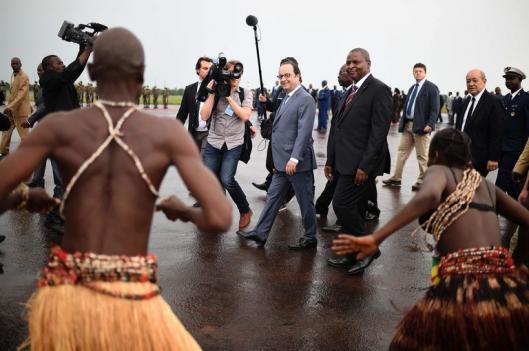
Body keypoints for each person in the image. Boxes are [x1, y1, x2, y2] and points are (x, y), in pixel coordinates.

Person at [0, 27, 231, 351]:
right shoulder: (167, 135)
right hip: (134, 298)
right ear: (140, 75)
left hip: (68, 296)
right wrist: (184, 211)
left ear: (93, 71)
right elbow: (220, 217)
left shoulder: (57, 127)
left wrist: (23, 197)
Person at [332, 128, 529, 350]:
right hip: (500, 289)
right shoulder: (486, 186)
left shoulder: (440, 171)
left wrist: (377, 237)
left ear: (435, 156)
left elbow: (429, 195)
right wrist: (517, 265)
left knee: (409, 344)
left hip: (461, 288)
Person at [238, 57, 317, 249]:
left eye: (287, 75)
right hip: (282, 163)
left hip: (296, 163)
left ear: (298, 76)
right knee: (273, 197)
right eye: (280, 76)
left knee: (305, 201)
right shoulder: (286, 96)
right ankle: (260, 233)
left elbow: (304, 133)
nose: (283, 79)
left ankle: (310, 237)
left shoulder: (305, 99)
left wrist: (294, 158)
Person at [325, 48, 392, 275]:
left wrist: (366, 166)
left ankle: (369, 248)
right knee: (352, 208)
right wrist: (330, 160)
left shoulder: (379, 90)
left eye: (356, 62)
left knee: (341, 205)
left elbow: (378, 132)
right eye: (347, 62)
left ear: (368, 64)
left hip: (361, 165)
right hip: (343, 161)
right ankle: (354, 253)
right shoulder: (349, 91)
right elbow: (338, 128)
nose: (351, 66)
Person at [200, 59, 254, 230]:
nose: (236, 77)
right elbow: (204, 116)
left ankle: (245, 210)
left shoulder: (245, 93)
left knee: (226, 179)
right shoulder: (216, 90)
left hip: (233, 143)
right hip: (214, 141)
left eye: (239, 74)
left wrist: (229, 97)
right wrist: (213, 93)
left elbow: (245, 115)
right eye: (231, 73)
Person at [382, 63, 440, 192]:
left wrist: (430, 124)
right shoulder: (412, 88)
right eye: (415, 71)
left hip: (421, 126)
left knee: (422, 155)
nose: (418, 73)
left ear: (425, 73)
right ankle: (396, 178)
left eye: (420, 71)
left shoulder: (431, 88)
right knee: (402, 152)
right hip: (407, 124)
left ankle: (423, 180)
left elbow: (435, 108)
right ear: (413, 73)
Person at [22, 64, 64, 206]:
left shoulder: (52, 87)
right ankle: (37, 181)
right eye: (37, 70)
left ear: (47, 71)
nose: (38, 73)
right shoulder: (40, 88)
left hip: (55, 128)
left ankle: (60, 191)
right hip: (44, 127)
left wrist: (30, 119)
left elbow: (44, 106)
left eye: (41, 70)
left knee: (55, 160)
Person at [455, 69, 503, 177]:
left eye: (474, 80)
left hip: (479, 159)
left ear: (484, 81)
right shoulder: (465, 101)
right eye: (468, 81)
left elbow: (497, 132)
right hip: (461, 156)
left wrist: (493, 158)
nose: (471, 84)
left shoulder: (493, 102)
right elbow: (459, 127)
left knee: (472, 190)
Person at [496, 67, 529, 200]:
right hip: (502, 149)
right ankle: (518, 214)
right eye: (506, 79)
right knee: (513, 185)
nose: (508, 81)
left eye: (511, 79)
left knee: (500, 184)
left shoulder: (526, 99)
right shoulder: (504, 99)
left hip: (516, 150)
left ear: (520, 80)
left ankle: (492, 212)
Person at [177, 57, 213, 153]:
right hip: (193, 133)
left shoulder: (217, 89)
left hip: (210, 133)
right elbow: (182, 113)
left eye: (210, 69)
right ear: (198, 70)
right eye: (205, 68)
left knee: (204, 161)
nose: (208, 71)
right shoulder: (189, 89)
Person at [0, 57, 31, 158]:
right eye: (12, 64)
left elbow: (21, 95)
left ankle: (26, 156)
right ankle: (4, 152)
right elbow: (13, 93)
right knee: (5, 131)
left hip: (20, 111)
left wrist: (10, 106)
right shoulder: (13, 75)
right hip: (11, 111)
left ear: (21, 64)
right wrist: (9, 107)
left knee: (24, 136)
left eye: (16, 64)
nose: (14, 65)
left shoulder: (24, 76)